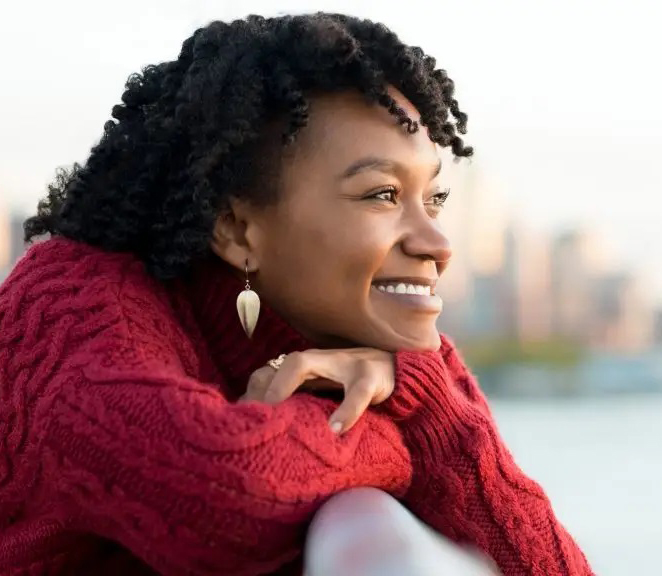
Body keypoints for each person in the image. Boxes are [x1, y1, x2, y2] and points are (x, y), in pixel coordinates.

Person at [0, 12, 594, 576]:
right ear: (236, 229)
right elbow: (227, 490)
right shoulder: (71, 307)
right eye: (382, 195)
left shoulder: (393, 358)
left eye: (433, 199)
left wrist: (424, 395)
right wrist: (399, 434)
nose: (437, 242)